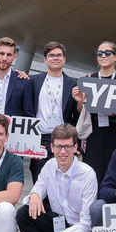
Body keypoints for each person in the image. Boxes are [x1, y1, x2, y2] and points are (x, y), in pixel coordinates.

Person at [15, 124, 103, 232]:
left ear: (75, 147)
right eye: (58, 146)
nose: (63, 152)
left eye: (67, 146)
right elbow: (36, 191)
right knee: (24, 213)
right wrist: (34, 195)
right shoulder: (49, 166)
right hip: (60, 223)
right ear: (52, 147)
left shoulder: (87, 175)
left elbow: (86, 223)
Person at [71, 41, 116, 181]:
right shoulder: (88, 79)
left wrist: (115, 111)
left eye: (107, 53)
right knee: (93, 172)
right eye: (99, 53)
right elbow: (81, 112)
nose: (103, 56)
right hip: (94, 131)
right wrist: (80, 101)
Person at [28, 42, 78, 182]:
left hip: (64, 139)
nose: (55, 58)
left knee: (65, 182)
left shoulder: (73, 83)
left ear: (64, 59)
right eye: (51, 55)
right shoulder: (32, 81)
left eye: (59, 55)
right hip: (41, 140)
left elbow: (77, 115)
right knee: (40, 182)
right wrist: (32, 141)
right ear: (45, 59)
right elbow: (27, 111)